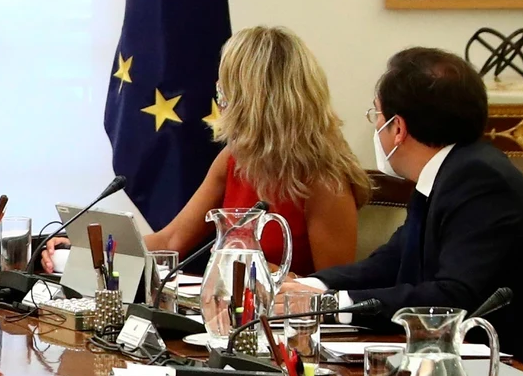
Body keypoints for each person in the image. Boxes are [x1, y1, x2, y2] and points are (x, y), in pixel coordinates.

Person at [287, 47, 523, 367]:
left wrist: (331, 304)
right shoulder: (451, 170)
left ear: (398, 129)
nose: (376, 127)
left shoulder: (479, 179)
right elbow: (391, 261)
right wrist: (310, 288)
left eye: (377, 115)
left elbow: (451, 299)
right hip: (485, 365)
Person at [142, 26, 368, 274]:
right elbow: (171, 242)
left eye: (224, 85)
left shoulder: (324, 178)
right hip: (230, 307)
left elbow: (332, 292)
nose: (218, 94)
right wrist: (104, 245)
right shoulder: (234, 156)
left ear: (251, 97)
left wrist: (255, 270)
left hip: (281, 311)